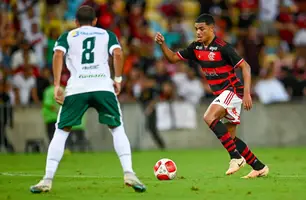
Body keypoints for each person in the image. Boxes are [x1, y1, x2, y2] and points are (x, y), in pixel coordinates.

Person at [30, 6, 146, 193]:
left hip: (77, 88)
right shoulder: (107, 35)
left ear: (76, 22)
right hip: (102, 87)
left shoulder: (67, 36)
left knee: (61, 132)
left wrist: (57, 84)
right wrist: (117, 79)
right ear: (95, 21)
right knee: (117, 128)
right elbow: (117, 54)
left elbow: (58, 54)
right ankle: (129, 173)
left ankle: (47, 179)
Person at [155, 13, 269, 178]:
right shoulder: (196, 47)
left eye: (202, 29)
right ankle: (259, 167)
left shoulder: (223, 47)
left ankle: (236, 157)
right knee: (231, 138)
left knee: (209, 117)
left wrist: (247, 94)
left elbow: (246, 67)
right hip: (223, 94)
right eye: (196, 29)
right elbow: (172, 58)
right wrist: (162, 44)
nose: (198, 32)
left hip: (232, 91)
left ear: (211, 28)